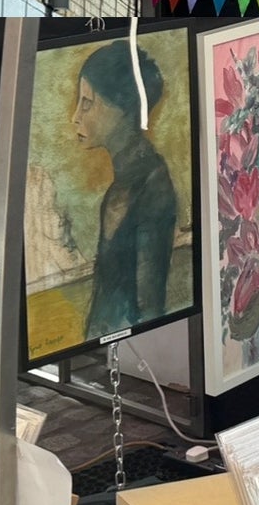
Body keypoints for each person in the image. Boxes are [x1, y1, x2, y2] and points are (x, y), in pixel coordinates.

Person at [72, 39, 180, 338]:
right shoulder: (122, 186)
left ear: (122, 107)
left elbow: (149, 308)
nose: (76, 116)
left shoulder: (151, 184)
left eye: (88, 103)